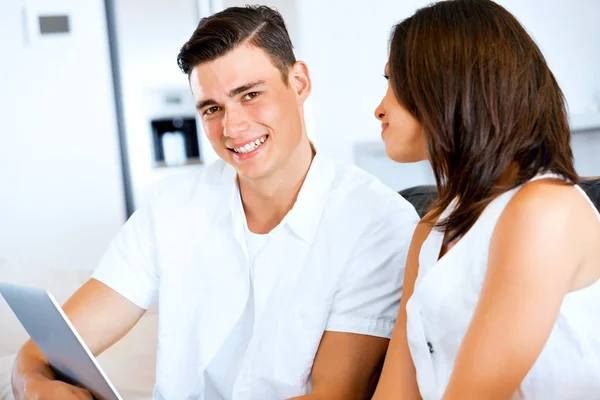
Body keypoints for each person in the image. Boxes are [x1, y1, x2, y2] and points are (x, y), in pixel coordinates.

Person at [11, 5, 419, 400]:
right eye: (212, 108)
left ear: (299, 83)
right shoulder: (173, 206)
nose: (232, 127)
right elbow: (45, 347)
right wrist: (33, 384)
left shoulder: (375, 222)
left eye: (250, 95)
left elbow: (335, 395)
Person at [371, 0, 600, 399]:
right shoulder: (430, 229)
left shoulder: (544, 210)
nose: (380, 107)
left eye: (394, 81)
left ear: (445, 86)